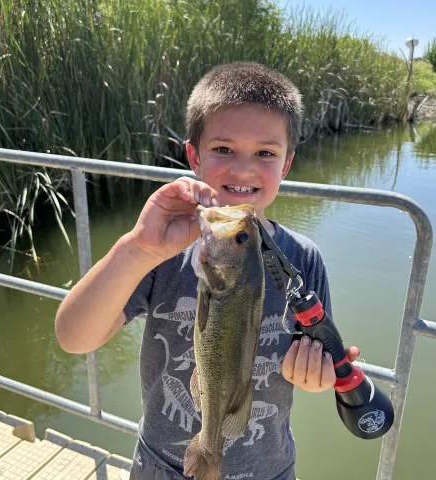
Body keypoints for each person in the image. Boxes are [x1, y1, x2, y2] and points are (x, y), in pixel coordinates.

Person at [55, 61, 359, 480]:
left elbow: (317, 360)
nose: (244, 168)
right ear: (194, 156)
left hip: (268, 471)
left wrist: (313, 377)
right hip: (162, 466)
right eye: (224, 149)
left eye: (265, 153)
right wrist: (137, 249)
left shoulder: (304, 259)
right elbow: (74, 338)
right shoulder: (161, 249)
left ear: (286, 164)